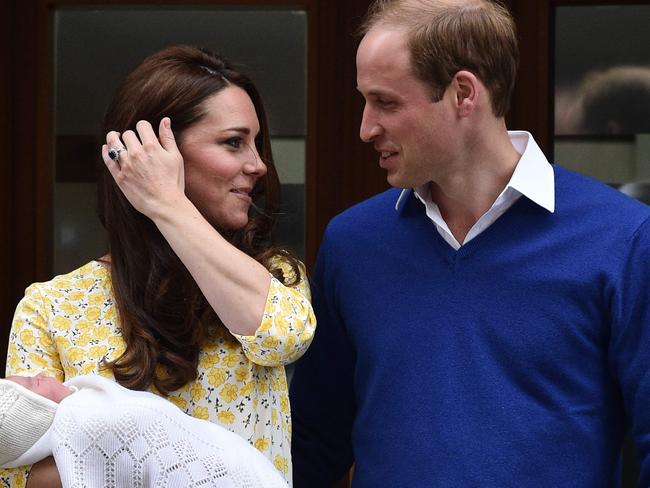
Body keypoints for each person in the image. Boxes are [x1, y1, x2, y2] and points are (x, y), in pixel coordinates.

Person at [289, 0, 650, 486]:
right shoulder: (352, 245)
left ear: (463, 93)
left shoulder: (622, 239)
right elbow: (312, 444)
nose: (365, 128)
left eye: (387, 102)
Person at [3, 45, 315, 487]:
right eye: (233, 142)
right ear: (151, 151)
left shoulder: (273, 273)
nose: (258, 165)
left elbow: (284, 335)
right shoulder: (52, 307)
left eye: (256, 144)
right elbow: (20, 475)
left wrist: (168, 205)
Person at [0, 374, 288, 487]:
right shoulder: (82, 421)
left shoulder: (87, 410)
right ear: (33, 413)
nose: (37, 375)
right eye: (30, 385)